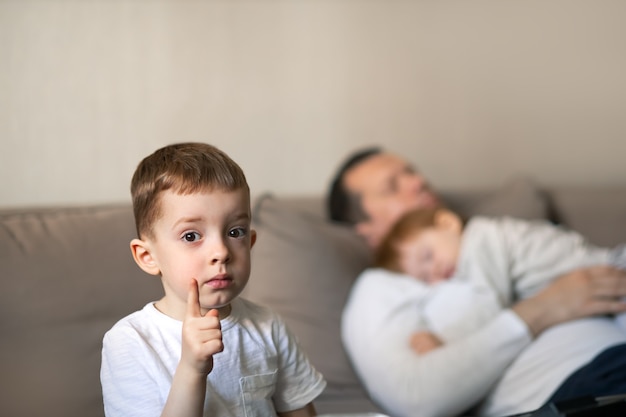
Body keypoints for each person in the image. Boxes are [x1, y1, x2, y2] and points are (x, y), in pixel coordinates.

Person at [329, 146, 626, 417]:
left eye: (411, 171)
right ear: (365, 231)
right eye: (392, 187)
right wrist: (545, 308)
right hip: (580, 386)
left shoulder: (483, 239)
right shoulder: (379, 286)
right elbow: (415, 397)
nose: (417, 181)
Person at [100, 142, 326, 417]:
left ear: (251, 242)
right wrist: (191, 369)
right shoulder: (130, 341)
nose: (221, 252)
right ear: (148, 256)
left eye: (235, 232)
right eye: (191, 236)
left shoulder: (268, 326)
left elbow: (299, 411)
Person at [373, 206, 626, 355]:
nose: (435, 271)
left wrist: (444, 340)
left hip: (610, 271)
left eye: (428, 256)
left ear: (447, 223)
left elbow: (488, 305)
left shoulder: (479, 241)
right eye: (425, 277)